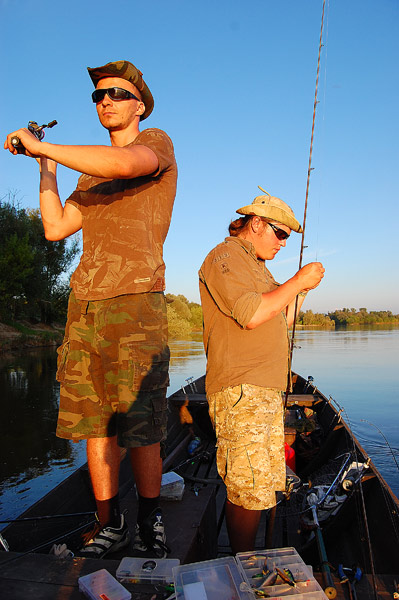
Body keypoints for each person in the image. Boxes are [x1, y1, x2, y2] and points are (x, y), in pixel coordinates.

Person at [4, 60, 177, 559]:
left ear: (138, 105)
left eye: (117, 94)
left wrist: (41, 144)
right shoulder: (90, 177)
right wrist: (46, 167)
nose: (106, 101)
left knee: (141, 425)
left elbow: (124, 164)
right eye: (99, 96)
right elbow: (55, 227)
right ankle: (109, 522)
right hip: (85, 308)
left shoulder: (157, 144)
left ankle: (149, 521)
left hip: (136, 303)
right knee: (94, 425)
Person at [198, 187, 324, 553]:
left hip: (266, 392)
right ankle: (243, 564)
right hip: (242, 391)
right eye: (280, 233)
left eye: (287, 237)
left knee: (261, 484)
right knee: (247, 488)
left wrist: (298, 293)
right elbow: (251, 315)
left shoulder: (259, 269)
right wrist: (297, 281)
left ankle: (250, 563)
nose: (284, 243)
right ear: (255, 223)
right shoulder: (225, 256)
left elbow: (281, 319)